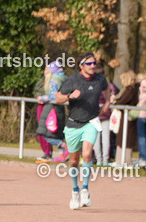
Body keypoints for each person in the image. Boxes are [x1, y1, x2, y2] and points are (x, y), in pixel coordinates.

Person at [55, 51, 110, 209]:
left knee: (86, 154)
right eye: (89, 63)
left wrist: (107, 103)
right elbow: (58, 98)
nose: (93, 66)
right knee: (73, 161)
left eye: (94, 63)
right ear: (81, 66)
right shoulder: (72, 80)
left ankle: (85, 189)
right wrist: (70, 96)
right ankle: (75, 191)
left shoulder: (100, 79)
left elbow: (107, 90)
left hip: (91, 122)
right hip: (73, 124)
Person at [35, 60, 66, 163]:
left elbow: (53, 96)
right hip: (61, 108)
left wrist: (42, 98)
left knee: (45, 134)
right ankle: (61, 156)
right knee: (58, 133)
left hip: (52, 108)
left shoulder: (54, 79)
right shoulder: (64, 77)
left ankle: (65, 147)